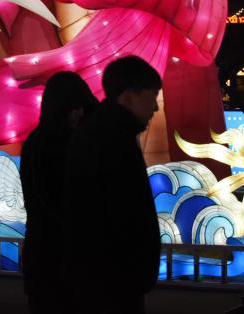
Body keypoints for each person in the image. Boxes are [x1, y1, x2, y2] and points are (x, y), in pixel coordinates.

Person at [64, 56, 162, 314]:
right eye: (152, 96)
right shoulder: (110, 139)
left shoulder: (106, 132)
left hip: (106, 277)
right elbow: (121, 213)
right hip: (112, 280)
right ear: (128, 96)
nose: (155, 107)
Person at [20, 71, 97, 314]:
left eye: (81, 108)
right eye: (74, 108)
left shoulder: (37, 141)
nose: (79, 113)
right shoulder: (58, 144)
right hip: (59, 258)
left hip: (43, 255)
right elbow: (58, 201)